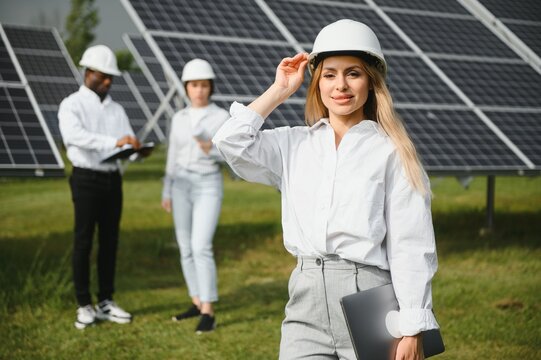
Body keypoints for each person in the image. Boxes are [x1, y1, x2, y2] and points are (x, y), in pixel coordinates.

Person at [213, 19, 439, 359]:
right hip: (304, 300)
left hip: (371, 300)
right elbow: (230, 142)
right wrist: (280, 90)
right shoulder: (293, 144)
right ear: (316, 82)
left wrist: (413, 326)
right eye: (329, 74)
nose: (341, 86)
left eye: (353, 73)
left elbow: (411, 243)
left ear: (371, 82)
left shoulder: (392, 152)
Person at [59, 44, 150, 329]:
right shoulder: (71, 104)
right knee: (84, 241)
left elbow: (125, 141)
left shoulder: (117, 109)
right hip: (86, 178)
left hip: (112, 178)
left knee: (110, 241)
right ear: (88, 72)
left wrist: (137, 150)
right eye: (103, 75)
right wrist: (115, 142)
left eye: (111, 76)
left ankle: (106, 301)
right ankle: (84, 304)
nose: (108, 81)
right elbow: (75, 137)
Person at [161, 59, 229, 333]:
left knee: (201, 246)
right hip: (180, 185)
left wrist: (209, 149)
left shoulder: (221, 117)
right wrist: (167, 189)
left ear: (210, 87)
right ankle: (197, 301)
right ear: (186, 88)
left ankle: (209, 312)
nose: (198, 90)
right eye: (193, 85)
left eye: (203, 85)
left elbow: (228, 154)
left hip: (208, 184)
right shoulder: (179, 118)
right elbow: (172, 156)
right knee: (186, 247)